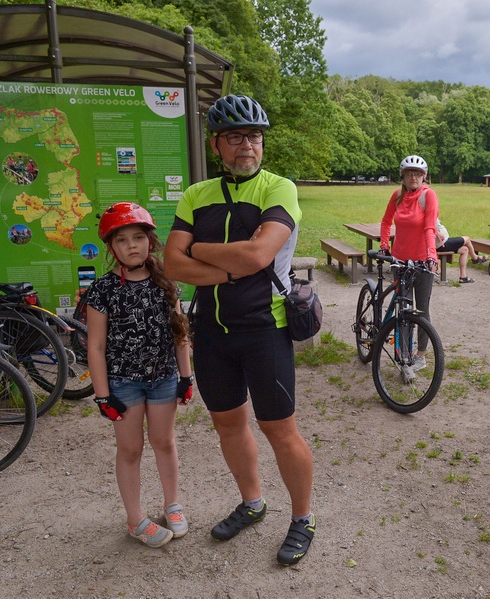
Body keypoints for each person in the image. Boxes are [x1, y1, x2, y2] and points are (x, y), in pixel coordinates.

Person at [163, 94, 315, 567]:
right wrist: (230, 266)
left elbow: (258, 256)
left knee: (278, 428)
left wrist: (200, 251)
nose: (246, 145)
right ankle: (253, 502)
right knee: (228, 423)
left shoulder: (278, 188)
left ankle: (302, 519)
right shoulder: (196, 194)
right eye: (235, 137)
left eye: (253, 136)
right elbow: (171, 263)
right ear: (216, 145)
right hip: (211, 331)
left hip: (264, 327)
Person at [86, 202, 194, 548]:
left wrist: (185, 376)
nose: (131, 246)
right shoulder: (103, 290)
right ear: (112, 248)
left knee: (164, 442)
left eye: (138, 237)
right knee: (130, 449)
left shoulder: (165, 280)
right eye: (122, 241)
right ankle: (135, 519)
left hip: (163, 378)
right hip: (123, 385)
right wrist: (103, 395)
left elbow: (180, 332)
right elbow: (96, 347)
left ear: (151, 241)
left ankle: (172, 504)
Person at [379, 155, 439, 381]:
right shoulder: (396, 196)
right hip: (400, 261)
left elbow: (429, 227)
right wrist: (385, 245)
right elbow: (386, 222)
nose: (413, 177)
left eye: (418, 174)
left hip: (423, 261)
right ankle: (404, 358)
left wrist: (431, 255)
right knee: (402, 311)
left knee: (422, 310)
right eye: (409, 174)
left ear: (424, 176)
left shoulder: (428, 196)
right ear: (402, 176)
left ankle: (420, 355)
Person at [435, 219, 487, 284]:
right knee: (467, 239)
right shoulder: (430, 214)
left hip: (441, 244)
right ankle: (475, 258)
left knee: (465, 250)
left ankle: (463, 277)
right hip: (442, 244)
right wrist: (441, 235)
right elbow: (436, 233)